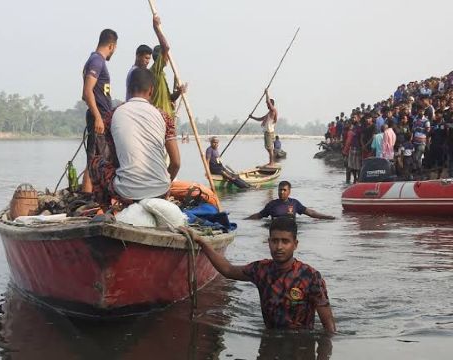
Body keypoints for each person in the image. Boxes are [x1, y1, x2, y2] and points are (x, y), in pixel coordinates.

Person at [183, 217, 337, 332]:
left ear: (295, 244)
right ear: (268, 242)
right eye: (275, 241)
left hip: (301, 343)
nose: (279, 247)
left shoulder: (310, 277)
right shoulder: (261, 270)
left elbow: (328, 324)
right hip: (270, 338)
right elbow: (228, 270)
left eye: (285, 241)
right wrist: (202, 242)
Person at [88, 67, 180, 205]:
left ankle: (105, 210)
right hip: (161, 192)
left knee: (95, 163)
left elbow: (114, 158)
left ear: (128, 89)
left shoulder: (112, 115)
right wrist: (163, 185)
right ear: (151, 90)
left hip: (126, 192)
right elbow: (176, 163)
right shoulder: (164, 117)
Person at [81, 29, 118, 193]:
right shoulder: (97, 61)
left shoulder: (96, 61)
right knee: (95, 160)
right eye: (115, 48)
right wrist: (97, 117)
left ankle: (92, 195)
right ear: (111, 45)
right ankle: (88, 197)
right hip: (99, 118)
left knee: (98, 158)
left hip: (103, 117)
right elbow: (87, 92)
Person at [150, 15, 185, 119]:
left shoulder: (161, 74)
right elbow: (166, 47)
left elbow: (169, 98)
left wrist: (179, 92)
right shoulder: (154, 71)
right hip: (159, 118)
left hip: (168, 118)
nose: (168, 59)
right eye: (166, 56)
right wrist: (156, 28)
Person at [246, 181, 336, 220]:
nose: (281, 192)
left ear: (289, 191)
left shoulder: (294, 203)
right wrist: (245, 219)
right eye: (280, 190)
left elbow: (311, 213)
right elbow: (259, 216)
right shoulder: (272, 205)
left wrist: (327, 217)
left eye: (284, 190)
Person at [249, 90, 278, 167]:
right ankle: (271, 162)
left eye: (268, 104)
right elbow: (261, 119)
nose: (267, 106)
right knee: (268, 148)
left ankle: (272, 163)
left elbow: (268, 102)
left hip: (269, 132)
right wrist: (252, 117)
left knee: (270, 148)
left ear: (271, 104)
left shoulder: (273, 110)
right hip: (267, 132)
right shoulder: (269, 113)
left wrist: (266, 93)